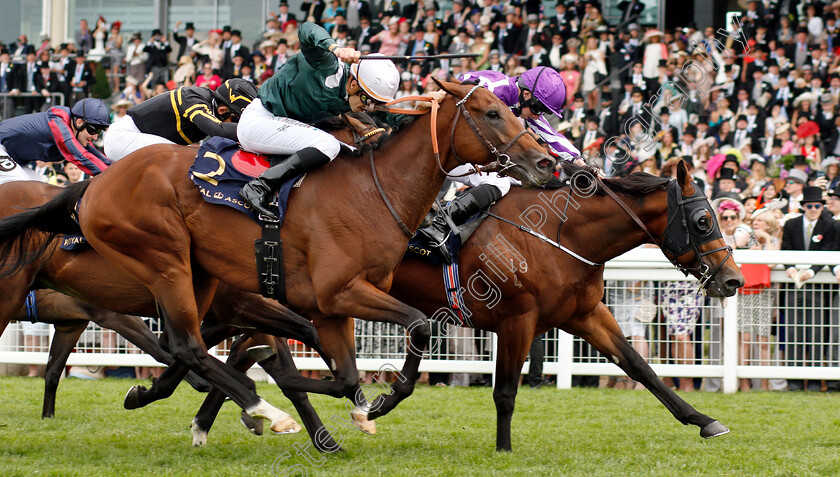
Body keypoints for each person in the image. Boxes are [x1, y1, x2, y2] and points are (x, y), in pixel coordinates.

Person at [237, 22, 403, 220]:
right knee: (328, 144)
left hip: (284, 126)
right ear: (352, 83)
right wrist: (336, 48)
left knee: (350, 152)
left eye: (376, 103)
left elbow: (398, 117)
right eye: (369, 100)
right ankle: (258, 187)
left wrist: (431, 106)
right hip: (260, 120)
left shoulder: (358, 95)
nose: (370, 108)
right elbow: (307, 29)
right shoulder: (326, 63)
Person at [417, 66, 581, 263]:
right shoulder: (496, 87)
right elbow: (467, 82)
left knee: (517, 180)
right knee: (502, 183)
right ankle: (439, 224)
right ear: (526, 93)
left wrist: (580, 161)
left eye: (544, 112)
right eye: (538, 109)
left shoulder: (521, 103)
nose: (538, 116)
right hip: (440, 150)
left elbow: (552, 136)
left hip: (460, 154)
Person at [103, 78, 256, 160]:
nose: (237, 124)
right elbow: (218, 130)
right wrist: (254, 130)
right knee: (179, 158)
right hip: (123, 137)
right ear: (223, 110)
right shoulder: (194, 98)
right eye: (237, 119)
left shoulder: (210, 105)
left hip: (141, 138)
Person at [781, 186, 840, 392]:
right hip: (793, 285)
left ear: (822, 207)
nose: (813, 209)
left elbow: (829, 250)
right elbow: (785, 248)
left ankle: (815, 382)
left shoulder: (829, 225)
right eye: (809, 205)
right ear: (803, 207)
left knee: (815, 332)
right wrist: (789, 268)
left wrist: (812, 272)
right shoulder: (791, 224)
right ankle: (794, 382)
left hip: (816, 287)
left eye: (817, 205)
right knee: (792, 332)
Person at [0, 98, 111, 185]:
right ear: (79, 122)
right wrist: (111, 176)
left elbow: (95, 154)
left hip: (13, 157)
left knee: (40, 196)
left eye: (99, 131)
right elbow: (80, 156)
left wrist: (117, 170)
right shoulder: (58, 124)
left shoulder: (76, 132)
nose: (96, 137)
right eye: (94, 130)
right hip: (2, 149)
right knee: (27, 193)